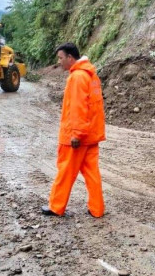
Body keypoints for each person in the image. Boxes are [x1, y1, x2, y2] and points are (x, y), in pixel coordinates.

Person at [41, 43, 106, 218]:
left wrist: (76, 134)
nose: (59, 62)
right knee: (92, 173)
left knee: (65, 171)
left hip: (77, 136)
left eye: (61, 58)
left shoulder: (77, 77)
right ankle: (97, 209)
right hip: (91, 134)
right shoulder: (91, 75)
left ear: (70, 58)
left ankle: (56, 207)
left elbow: (78, 108)